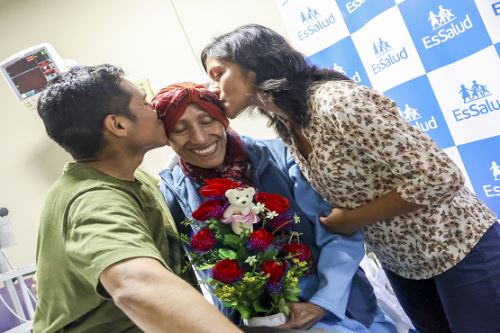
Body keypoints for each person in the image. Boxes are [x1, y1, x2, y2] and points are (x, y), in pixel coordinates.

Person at [200, 24, 500, 333]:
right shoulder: (286, 122)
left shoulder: (335, 102)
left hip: (459, 248)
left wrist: (352, 219)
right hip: (403, 263)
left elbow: (440, 176)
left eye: (218, 73)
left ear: (253, 64)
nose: (211, 87)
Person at [152, 82, 397, 333]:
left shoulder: (282, 157)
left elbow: (339, 233)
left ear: (223, 119)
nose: (200, 138)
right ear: (166, 137)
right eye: (180, 129)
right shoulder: (174, 194)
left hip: (336, 306)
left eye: (207, 121)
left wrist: (322, 303)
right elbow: (208, 276)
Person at [34, 64, 243, 333]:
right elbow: (134, 285)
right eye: (145, 103)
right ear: (118, 125)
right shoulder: (94, 199)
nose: (156, 111)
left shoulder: (134, 180)